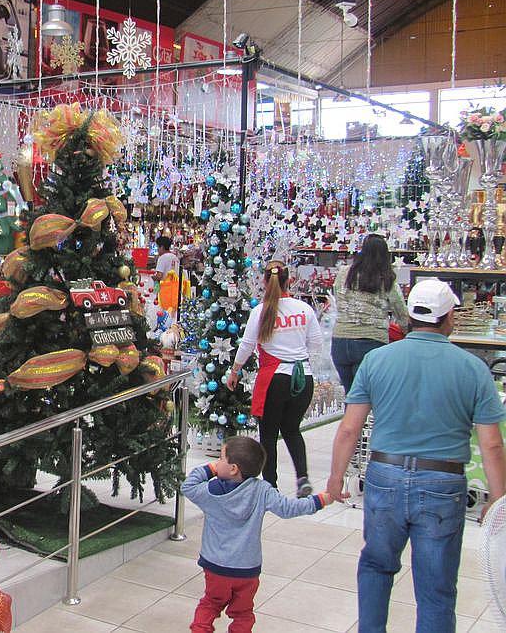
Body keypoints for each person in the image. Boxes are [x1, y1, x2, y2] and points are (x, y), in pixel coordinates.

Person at [325, 278, 506, 633]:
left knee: (376, 566)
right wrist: (498, 500)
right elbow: (492, 445)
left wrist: (335, 479)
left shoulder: (377, 360)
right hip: (443, 483)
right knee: (437, 588)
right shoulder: (472, 369)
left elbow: (349, 428)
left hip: (385, 476)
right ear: (448, 316)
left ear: (410, 315)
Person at [182, 436, 333, 633]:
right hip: (247, 570)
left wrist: (209, 469)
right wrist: (321, 500)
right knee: (243, 613)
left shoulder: (210, 492)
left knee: (210, 604)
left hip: (216, 567)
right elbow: (288, 508)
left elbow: (188, 486)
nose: (217, 462)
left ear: (234, 468)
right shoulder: (262, 490)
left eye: (221, 458)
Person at [227, 261, 323, 496]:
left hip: (274, 380)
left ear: (263, 282)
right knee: (292, 430)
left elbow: (247, 345)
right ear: (289, 281)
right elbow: (317, 345)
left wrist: (235, 370)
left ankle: (270, 485)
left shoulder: (260, 311)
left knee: (268, 435)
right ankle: (302, 478)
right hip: (303, 379)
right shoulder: (305, 309)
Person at [331, 234, 408, 391]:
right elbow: (402, 314)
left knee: (350, 396)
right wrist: (410, 334)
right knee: (366, 397)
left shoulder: (344, 273)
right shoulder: (386, 279)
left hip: (340, 341)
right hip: (371, 341)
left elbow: (338, 300)